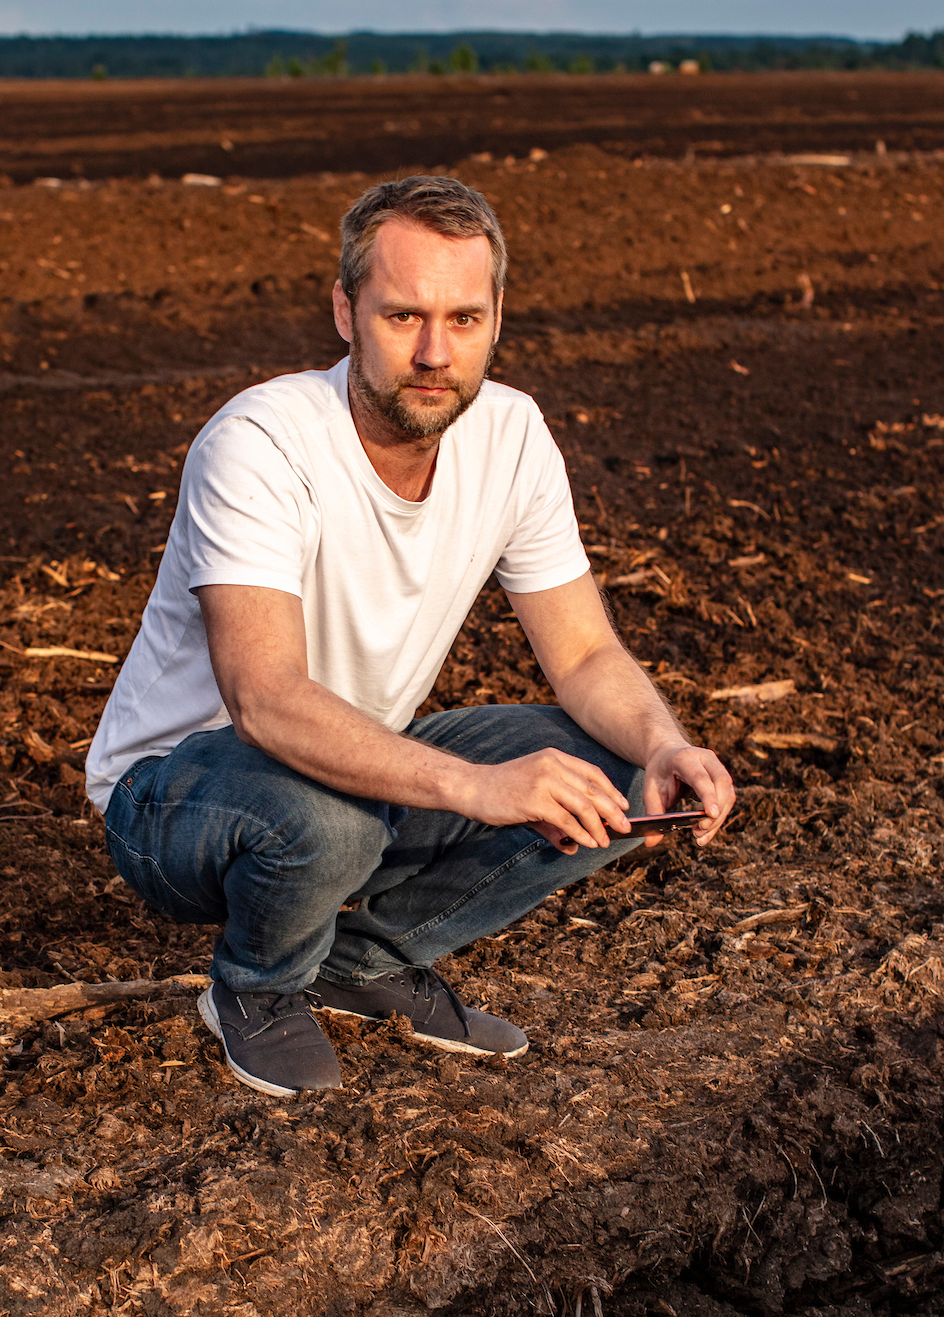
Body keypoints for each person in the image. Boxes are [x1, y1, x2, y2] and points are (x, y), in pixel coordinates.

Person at [85, 174, 735, 1097]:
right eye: (403, 317)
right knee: (333, 822)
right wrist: (479, 786)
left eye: (463, 319)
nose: (435, 353)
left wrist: (665, 744)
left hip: (355, 772)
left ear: (497, 319)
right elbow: (264, 700)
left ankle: (362, 963)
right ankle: (257, 989)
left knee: (618, 772)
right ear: (344, 311)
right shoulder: (261, 442)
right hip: (175, 795)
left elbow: (587, 653)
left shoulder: (513, 435)